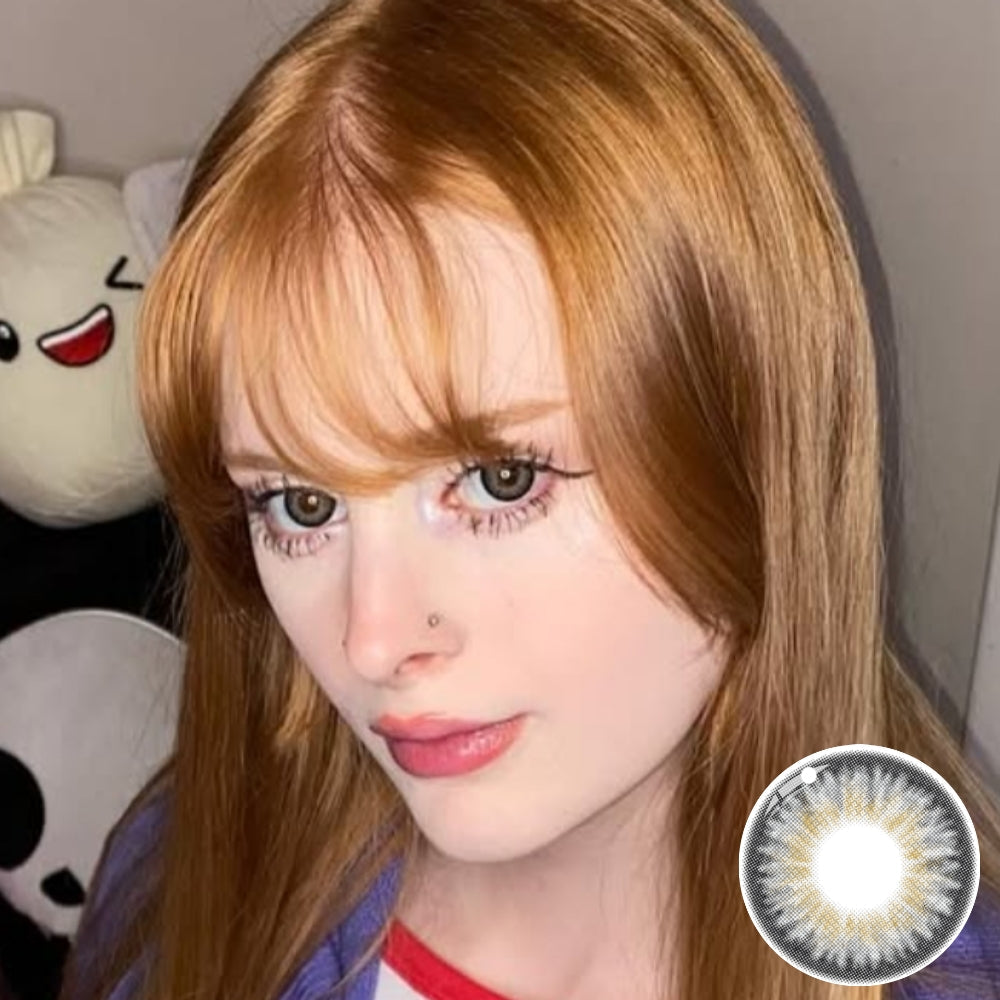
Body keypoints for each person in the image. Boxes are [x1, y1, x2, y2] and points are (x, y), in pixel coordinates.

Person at [59, 1, 1000, 999]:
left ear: (747, 448)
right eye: (298, 504)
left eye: (499, 481)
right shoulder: (183, 879)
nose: (373, 640)